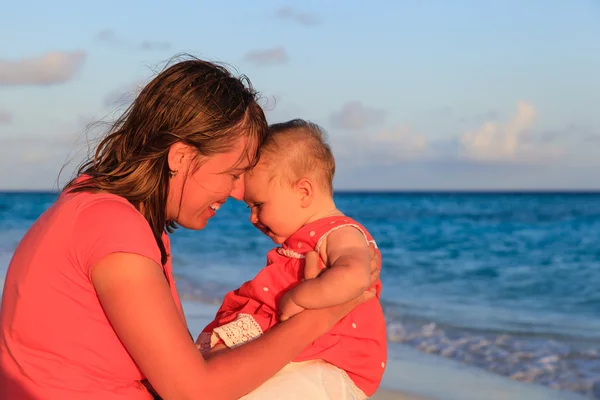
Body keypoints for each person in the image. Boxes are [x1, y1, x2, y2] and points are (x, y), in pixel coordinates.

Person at [0, 57, 380, 400]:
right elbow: (193, 391)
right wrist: (322, 316)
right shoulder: (111, 227)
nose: (235, 193)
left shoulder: (101, 207)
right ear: (180, 156)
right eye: (232, 174)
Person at [198, 120, 387, 399]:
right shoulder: (304, 239)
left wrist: (301, 297)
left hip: (330, 360)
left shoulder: (340, 231)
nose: (253, 218)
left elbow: (357, 275)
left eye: (259, 205)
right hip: (302, 350)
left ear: (304, 192)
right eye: (250, 208)